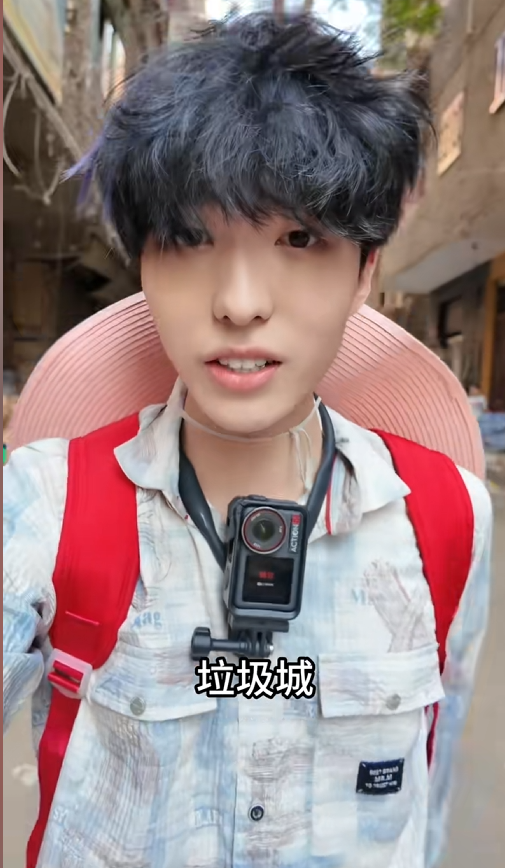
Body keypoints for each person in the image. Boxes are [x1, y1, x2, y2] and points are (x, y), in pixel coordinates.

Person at [3, 13, 492, 868]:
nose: (238, 303)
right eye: (190, 238)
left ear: (365, 271)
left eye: (299, 239)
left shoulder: (447, 516)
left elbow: (429, 784)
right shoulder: (46, 507)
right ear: (142, 263)